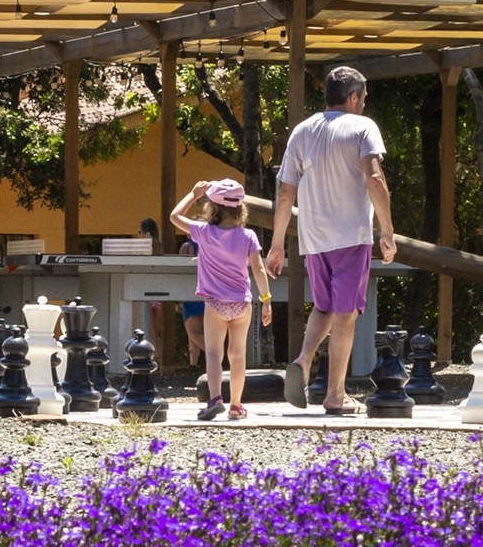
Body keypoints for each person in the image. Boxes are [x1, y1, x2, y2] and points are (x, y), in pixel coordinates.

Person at [264, 65, 396, 414]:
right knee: (345, 315)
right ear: (353, 98)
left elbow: (285, 193)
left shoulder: (303, 131)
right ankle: (335, 395)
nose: (364, 105)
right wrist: (387, 231)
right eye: (363, 98)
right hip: (350, 235)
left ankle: (305, 359)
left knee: (324, 308)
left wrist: (277, 245)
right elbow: (375, 179)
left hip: (313, 238)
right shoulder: (362, 127)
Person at [168, 178, 272, 421]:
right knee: (238, 355)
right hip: (241, 303)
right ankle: (236, 406)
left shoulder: (203, 232)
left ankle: (215, 399)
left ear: (211, 208)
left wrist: (193, 193)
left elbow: (174, 216)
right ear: (241, 208)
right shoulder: (248, 236)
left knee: (214, 354)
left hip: (215, 302)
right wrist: (266, 299)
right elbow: (258, 269)